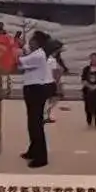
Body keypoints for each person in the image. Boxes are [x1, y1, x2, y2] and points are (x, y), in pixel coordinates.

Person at [15, 32, 61, 170]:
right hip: (33, 88)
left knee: (36, 124)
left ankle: (41, 158)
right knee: (32, 123)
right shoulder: (36, 53)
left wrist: (15, 49)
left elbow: (19, 62)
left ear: (37, 42)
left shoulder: (39, 55)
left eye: (31, 40)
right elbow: (22, 64)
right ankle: (33, 150)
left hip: (37, 89)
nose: (29, 42)